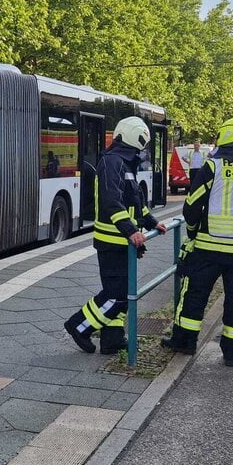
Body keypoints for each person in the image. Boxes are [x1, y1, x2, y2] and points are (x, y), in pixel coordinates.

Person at [161, 117, 233, 367]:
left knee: (194, 295)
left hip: (209, 247)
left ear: (222, 138)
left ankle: (184, 342)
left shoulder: (213, 167)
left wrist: (193, 232)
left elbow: (192, 205)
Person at [65, 117, 166, 355]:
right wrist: (131, 231)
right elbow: (112, 203)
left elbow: (135, 202)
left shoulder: (125, 163)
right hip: (113, 241)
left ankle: (112, 339)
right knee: (117, 295)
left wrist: (152, 222)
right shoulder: (113, 162)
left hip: (122, 241)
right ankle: (79, 326)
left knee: (121, 292)